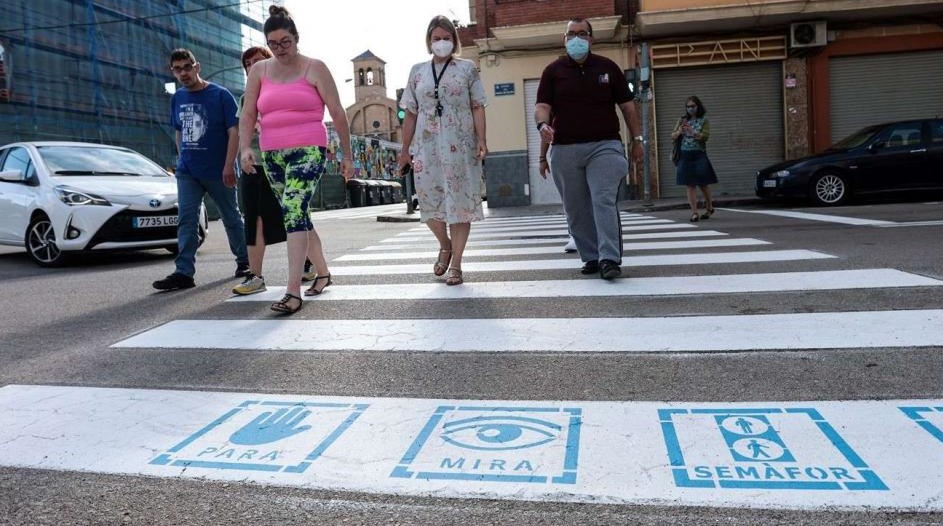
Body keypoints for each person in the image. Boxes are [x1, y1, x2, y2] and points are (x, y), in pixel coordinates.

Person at [239, 5, 352, 314]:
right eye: (273, 44)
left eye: (285, 42)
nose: (280, 49)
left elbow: (338, 112)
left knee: (292, 209)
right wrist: (245, 149)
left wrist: (347, 154)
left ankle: (292, 291)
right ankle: (324, 273)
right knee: (298, 214)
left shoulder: (314, 67)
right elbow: (249, 112)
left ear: (296, 37)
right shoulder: (260, 71)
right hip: (272, 153)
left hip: (310, 148)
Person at [534, 18, 643, 280]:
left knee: (602, 200)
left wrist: (637, 141)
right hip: (565, 149)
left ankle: (609, 258)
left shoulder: (607, 67)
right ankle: (591, 256)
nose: (576, 38)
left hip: (604, 145)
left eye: (582, 33)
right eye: (571, 34)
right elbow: (543, 108)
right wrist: (542, 133)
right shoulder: (553, 71)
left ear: (592, 39)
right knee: (576, 207)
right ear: (564, 39)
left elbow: (627, 106)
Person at [396, 15, 487, 286]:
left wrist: (482, 139)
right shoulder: (418, 71)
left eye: (446, 38)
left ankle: (456, 264)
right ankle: (445, 244)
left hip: (460, 146)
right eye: (436, 38)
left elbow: (478, 106)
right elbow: (410, 113)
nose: (441, 43)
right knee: (429, 204)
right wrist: (404, 150)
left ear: (454, 41)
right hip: (426, 147)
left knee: (460, 205)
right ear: (429, 41)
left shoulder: (467, 68)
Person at [154, 48, 249, 291]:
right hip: (188, 171)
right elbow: (179, 131)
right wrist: (181, 157)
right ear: (172, 72)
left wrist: (229, 165)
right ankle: (184, 272)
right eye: (178, 69)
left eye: (188, 67)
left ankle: (245, 262)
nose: (183, 73)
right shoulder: (177, 98)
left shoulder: (220, 95)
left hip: (220, 170)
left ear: (197, 67)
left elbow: (234, 131)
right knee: (186, 220)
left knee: (231, 217)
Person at [232, 45, 286, 295]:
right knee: (253, 221)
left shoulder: (286, 88)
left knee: (294, 215)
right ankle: (255, 276)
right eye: (248, 64)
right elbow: (240, 129)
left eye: (259, 61)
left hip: (284, 164)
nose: (253, 66)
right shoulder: (245, 98)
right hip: (254, 167)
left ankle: (310, 263)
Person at [672, 95, 717, 222]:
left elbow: (706, 137)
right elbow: (673, 136)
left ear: (698, 106)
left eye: (693, 106)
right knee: (690, 185)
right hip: (685, 155)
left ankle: (709, 207)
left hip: (699, 154)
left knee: (703, 184)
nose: (690, 109)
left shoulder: (704, 120)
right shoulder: (682, 120)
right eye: (688, 107)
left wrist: (693, 132)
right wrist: (680, 131)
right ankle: (694, 213)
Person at [538, 139, 577, 253]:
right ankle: (576, 236)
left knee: (597, 197)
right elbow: (545, 125)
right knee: (571, 198)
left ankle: (599, 238)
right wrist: (542, 158)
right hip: (564, 147)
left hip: (598, 143)